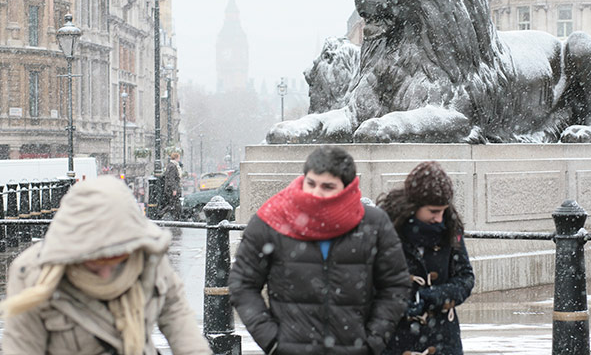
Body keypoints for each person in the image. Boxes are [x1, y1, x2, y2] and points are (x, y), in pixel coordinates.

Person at [229, 145, 410, 354]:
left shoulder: (374, 224)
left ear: (347, 187)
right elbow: (242, 284)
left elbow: (395, 285)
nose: (316, 193)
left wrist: (373, 341)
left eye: (327, 186)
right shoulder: (271, 220)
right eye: (311, 183)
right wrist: (272, 341)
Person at [1, 176, 211, 355]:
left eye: (117, 261)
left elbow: (177, 316)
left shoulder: (148, 257)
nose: (105, 274)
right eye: (94, 263)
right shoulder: (30, 274)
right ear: (70, 250)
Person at [375, 161, 475, 355]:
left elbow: (465, 278)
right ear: (413, 206)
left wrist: (436, 296)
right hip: (395, 339)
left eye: (444, 210)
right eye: (433, 211)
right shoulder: (384, 229)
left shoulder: (451, 228)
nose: (439, 218)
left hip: (443, 340)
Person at [159, 151, 182, 219]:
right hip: (171, 190)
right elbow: (171, 179)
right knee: (173, 205)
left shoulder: (171, 165)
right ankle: (161, 214)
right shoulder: (172, 166)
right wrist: (174, 189)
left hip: (171, 189)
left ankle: (176, 218)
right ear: (176, 158)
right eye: (179, 158)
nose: (179, 159)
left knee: (174, 205)